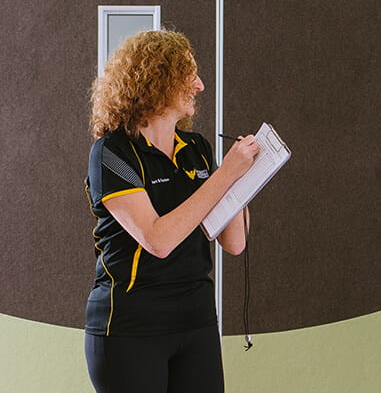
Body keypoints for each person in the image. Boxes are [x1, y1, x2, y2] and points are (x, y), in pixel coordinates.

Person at [84, 29, 259, 393]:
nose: (199, 85)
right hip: (131, 328)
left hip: (196, 322)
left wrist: (243, 180)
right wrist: (226, 173)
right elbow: (159, 240)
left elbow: (234, 242)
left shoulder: (195, 148)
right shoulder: (112, 153)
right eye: (189, 75)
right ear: (158, 80)